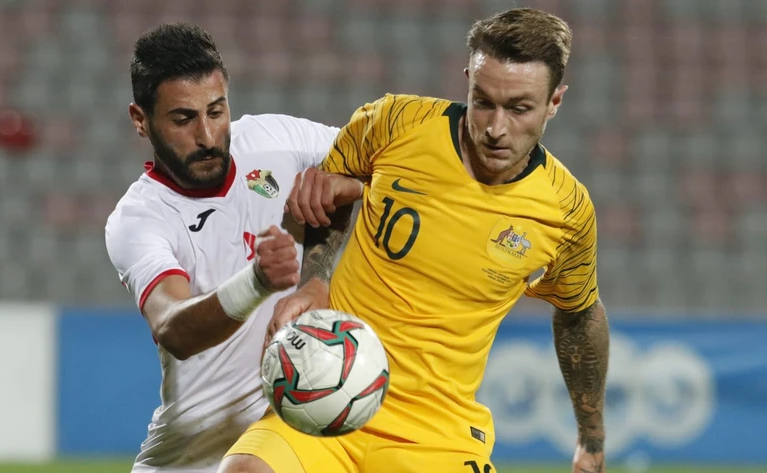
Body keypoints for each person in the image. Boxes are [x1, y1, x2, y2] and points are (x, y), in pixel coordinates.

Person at [220, 8, 610, 473]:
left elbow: (578, 315)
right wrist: (316, 280)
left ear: (555, 101)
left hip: (439, 431)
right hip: (329, 391)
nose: (495, 128)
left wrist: (591, 439)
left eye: (519, 108)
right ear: (467, 81)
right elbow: (333, 189)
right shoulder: (396, 122)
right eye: (483, 101)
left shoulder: (565, 210)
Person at [105, 23, 341, 473]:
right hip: (193, 455)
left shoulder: (276, 140)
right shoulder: (139, 218)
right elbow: (173, 328)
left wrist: (318, 273)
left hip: (283, 442)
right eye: (183, 119)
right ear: (140, 119)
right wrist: (256, 282)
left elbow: (383, 161)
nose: (208, 136)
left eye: (216, 111)